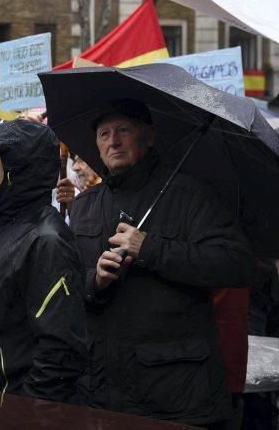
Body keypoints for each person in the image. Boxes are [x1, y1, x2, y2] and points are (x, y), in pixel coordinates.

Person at [69, 99, 254, 427]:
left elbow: (236, 263)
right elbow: (66, 282)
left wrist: (150, 248)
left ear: (149, 136)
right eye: (104, 134)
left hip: (176, 395)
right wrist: (93, 282)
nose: (113, 141)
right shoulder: (84, 206)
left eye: (124, 131)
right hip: (100, 392)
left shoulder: (190, 195)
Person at [0, 120, 87, 403]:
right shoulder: (5, 228)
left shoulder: (46, 240)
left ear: (19, 164)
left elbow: (59, 352)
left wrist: (25, 414)